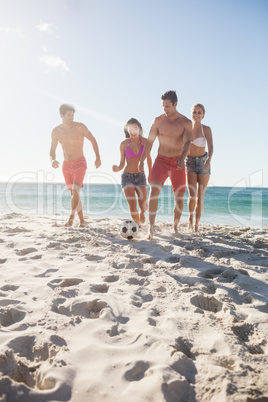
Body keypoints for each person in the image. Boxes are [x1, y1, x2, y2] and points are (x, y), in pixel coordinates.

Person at [138, 90, 192, 240]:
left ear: (175, 104)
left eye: (168, 106)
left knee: (179, 197)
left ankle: (175, 226)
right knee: (153, 192)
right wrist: (142, 160)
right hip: (160, 160)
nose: (165, 109)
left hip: (177, 162)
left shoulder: (186, 122)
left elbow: (187, 142)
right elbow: (149, 142)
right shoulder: (158, 121)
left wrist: (182, 157)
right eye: (163, 106)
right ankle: (151, 227)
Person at [49, 104, 101, 227]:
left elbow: (93, 140)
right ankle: (82, 221)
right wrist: (52, 160)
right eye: (68, 115)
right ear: (61, 115)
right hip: (66, 165)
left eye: (72, 115)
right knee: (74, 195)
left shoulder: (80, 127)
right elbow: (52, 150)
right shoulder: (56, 131)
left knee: (75, 191)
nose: (71, 118)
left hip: (80, 163)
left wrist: (98, 157)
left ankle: (71, 219)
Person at [112, 118, 152, 227]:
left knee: (143, 205)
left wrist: (150, 174)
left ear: (139, 129)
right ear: (127, 130)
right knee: (132, 206)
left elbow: (149, 159)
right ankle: (137, 226)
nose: (133, 131)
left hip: (140, 177)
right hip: (127, 177)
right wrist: (117, 168)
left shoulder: (145, 142)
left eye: (135, 128)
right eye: (130, 128)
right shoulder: (124, 144)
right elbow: (122, 163)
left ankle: (142, 213)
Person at [186, 103, 213, 232]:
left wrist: (209, 159)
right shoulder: (186, 128)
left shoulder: (206, 129)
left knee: (200, 197)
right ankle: (190, 219)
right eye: (194, 112)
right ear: (191, 114)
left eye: (199, 112)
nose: (196, 114)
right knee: (192, 196)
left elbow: (211, 146)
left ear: (203, 115)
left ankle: (196, 225)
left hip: (203, 163)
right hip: (189, 163)